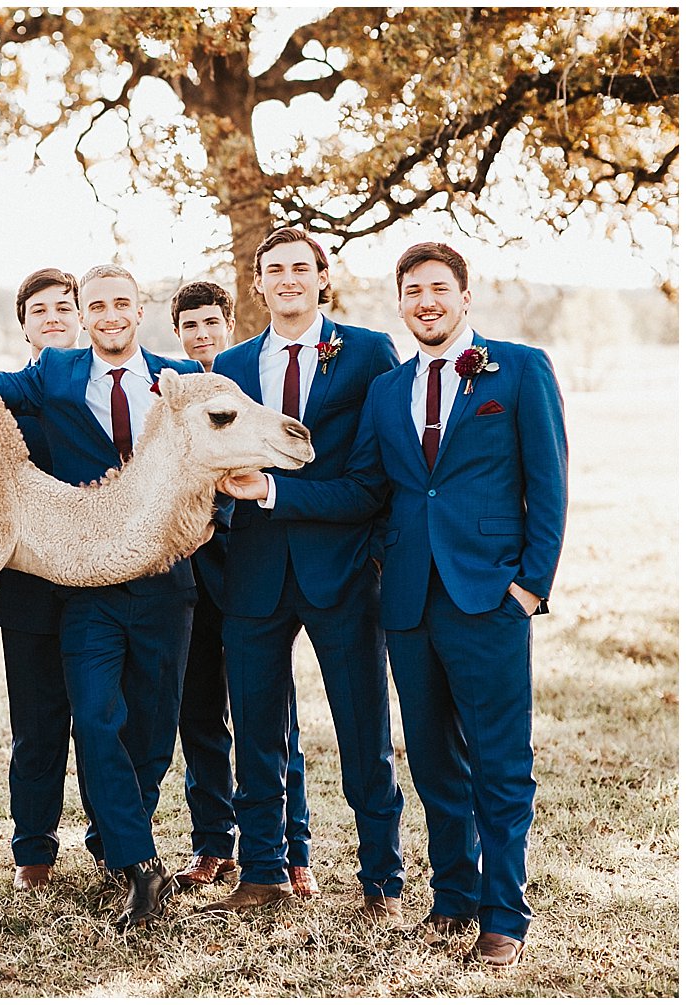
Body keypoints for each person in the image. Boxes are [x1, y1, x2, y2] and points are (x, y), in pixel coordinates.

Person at [222, 242, 567, 967]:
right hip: (406, 598)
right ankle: (452, 897)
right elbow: (369, 489)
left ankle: (503, 915)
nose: (426, 302)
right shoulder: (391, 388)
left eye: (438, 289)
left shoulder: (520, 368)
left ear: (464, 297)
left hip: (488, 595)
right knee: (435, 759)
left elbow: (549, 483)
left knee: (500, 763)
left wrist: (530, 585)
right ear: (400, 301)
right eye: (413, 291)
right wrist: (274, 492)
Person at [0, 265, 201, 929]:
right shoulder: (57, 372)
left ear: (140, 306)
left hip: (163, 578)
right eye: (98, 305)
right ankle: (139, 864)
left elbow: (217, 449)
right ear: (85, 316)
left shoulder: (178, 379)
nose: (110, 314)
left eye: (122, 301)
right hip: (85, 580)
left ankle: (119, 841)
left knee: (151, 729)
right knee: (93, 719)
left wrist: (209, 519)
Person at [201, 228, 406, 920]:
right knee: (257, 729)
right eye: (273, 270)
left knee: (362, 730)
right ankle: (261, 872)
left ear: (323, 277)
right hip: (253, 572)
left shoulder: (369, 352)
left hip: (342, 570)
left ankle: (381, 880)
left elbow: (373, 480)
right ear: (257, 285)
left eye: (300, 267)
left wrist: (277, 494)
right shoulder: (227, 363)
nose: (287, 278)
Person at [166, 281, 315, 896]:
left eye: (211, 323)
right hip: (189, 575)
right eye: (190, 327)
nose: (201, 336)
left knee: (271, 714)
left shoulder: (253, 392)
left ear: (229, 324)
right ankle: (212, 845)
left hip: (252, 567)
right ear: (176, 335)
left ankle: (291, 847)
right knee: (198, 712)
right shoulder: (173, 400)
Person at [0, 268, 85, 890]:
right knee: (35, 726)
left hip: (101, 580)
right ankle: (34, 851)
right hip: (27, 586)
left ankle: (113, 842)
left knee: (109, 723)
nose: (53, 317)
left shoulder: (108, 386)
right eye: (39, 310)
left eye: (64, 307)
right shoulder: (0, 400)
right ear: (23, 323)